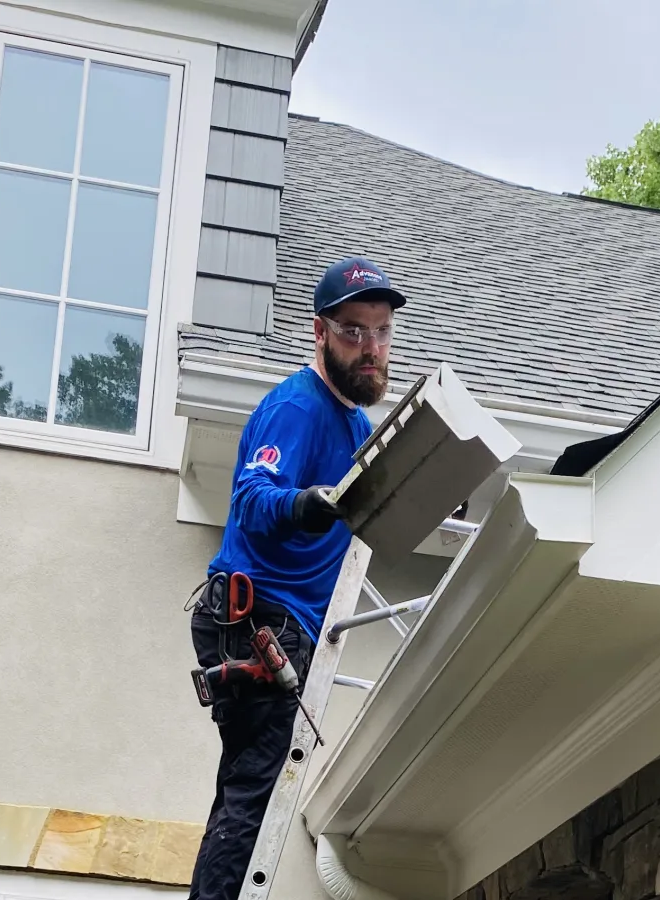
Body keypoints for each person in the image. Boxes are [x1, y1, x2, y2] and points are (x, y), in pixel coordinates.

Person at [187, 256, 405, 900]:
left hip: (284, 624)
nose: (371, 348)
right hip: (255, 621)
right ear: (320, 332)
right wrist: (303, 502)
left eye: (381, 332)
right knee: (253, 789)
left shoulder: (356, 425)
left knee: (245, 790)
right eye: (354, 332)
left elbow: (374, 514)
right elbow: (253, 495)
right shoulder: (297, 407)